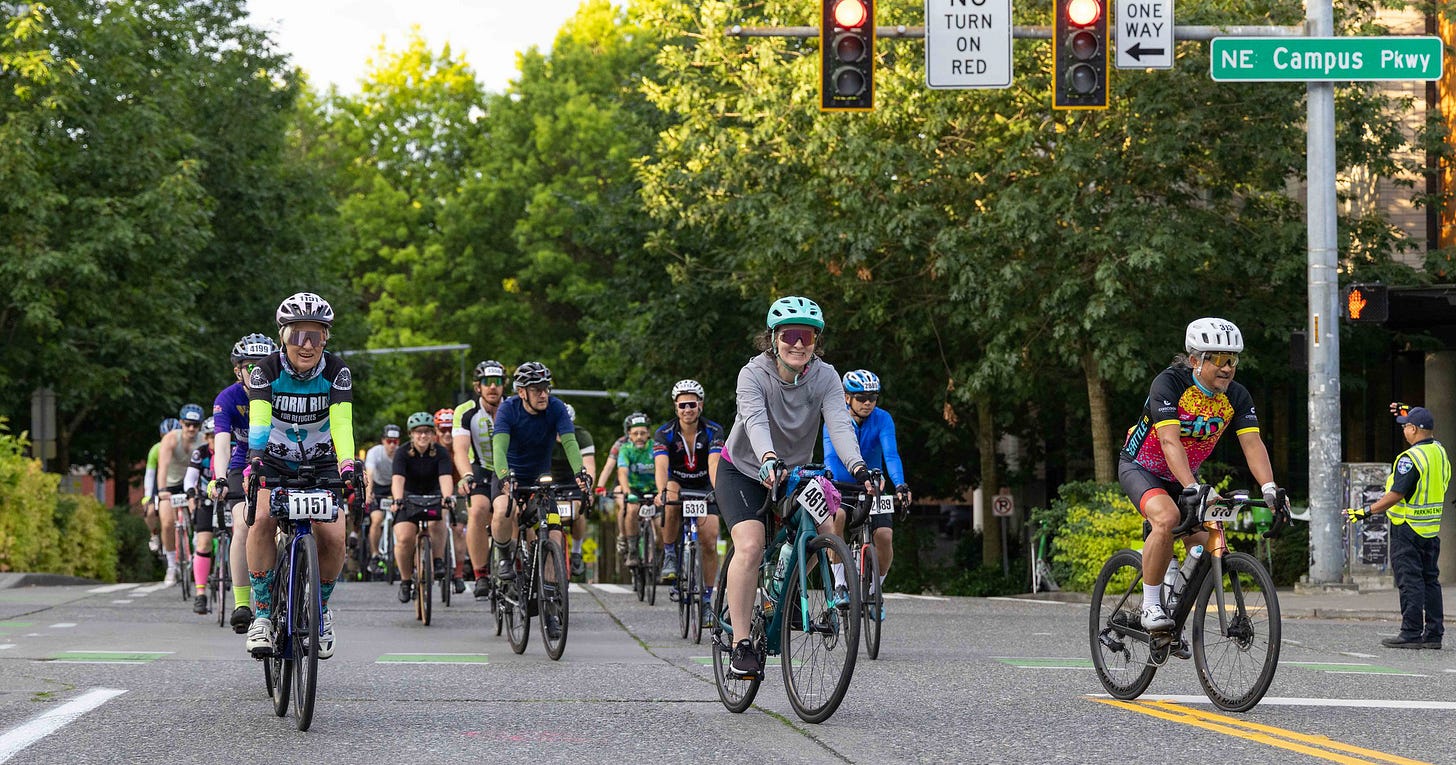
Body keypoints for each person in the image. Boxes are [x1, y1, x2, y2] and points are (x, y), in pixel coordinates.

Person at [720, 296, 877, 678]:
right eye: (789, 335)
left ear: (815, 341)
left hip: (796, 472)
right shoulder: (752, 374)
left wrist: (859, 468)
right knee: (751, 545)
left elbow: (839, 425)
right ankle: (741, 644)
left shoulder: (826, 377)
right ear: (773, 339)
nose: (798, 343)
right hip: (744, 468)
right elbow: (755, 421)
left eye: (806, 336)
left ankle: (786, 588)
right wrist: (768, 457)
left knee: (827, 527)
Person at [1117, 317, 1289, 635]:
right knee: (1166, 517)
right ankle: (1151, 606)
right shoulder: (1169, 384)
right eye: (1219, 359)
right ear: (1195, 360)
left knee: (1206, 545)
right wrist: (1193, 487)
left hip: (1185, 476)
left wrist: (1269, 488)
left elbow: (1253, 444)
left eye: (1232, 360)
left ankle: (1175, 608)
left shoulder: (1236, 396)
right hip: (1143, 468)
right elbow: (1169, 442)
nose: (1227, 368)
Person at [244, 292, 358, 660]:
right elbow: (259, 420)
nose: (307, 345)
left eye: (316, 336)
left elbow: (341, 423)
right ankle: (263, 615)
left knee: (334, 536)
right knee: (262, 519)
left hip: (322, 462)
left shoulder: (337, 371)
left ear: (326, 338)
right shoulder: (265, 370)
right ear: (283, 337)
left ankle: (320, 610)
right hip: (273, 460)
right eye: (298, 335)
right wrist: (255, 459)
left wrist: (348, 464)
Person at [489, 361, 592, 640]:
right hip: (510, 475)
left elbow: (569, 442)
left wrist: (580, 473)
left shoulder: (557, 408)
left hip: (541, 481)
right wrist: (504, 476)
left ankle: (550, 608)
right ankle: (504, 557)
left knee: (554, 535)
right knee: (503, 509)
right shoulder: (508, 409)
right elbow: (498, 447)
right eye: (537, 389)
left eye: (546, 388)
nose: (543, 394)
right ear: (522, 392)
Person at [1346, 404, 1446, 649]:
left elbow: (1396, 494)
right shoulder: (1439, 451)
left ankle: (1411, 632)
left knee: (1410, 580)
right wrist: (1409, 412)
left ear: (1414, 430)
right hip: (1430, 528)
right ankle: (1434, 634)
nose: (1403, 431)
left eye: (1406, 426)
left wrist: (1366, 511)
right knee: (1430, 580)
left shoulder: (1409, 459)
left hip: (1407, 528)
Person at [824, 369, 911, 605]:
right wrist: (832, 482)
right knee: (838, 517)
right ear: (846, 397)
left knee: (884, 536)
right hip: (842, 483)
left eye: (872, 398)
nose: (868, 403)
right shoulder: (836, 418)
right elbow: (830, 456)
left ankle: (875, 590)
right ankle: (840, 583)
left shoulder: (883, 418)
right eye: (861, 398)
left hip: (873, 484)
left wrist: (900, 484)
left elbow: (890, 455)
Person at [211, 333, 277, 632]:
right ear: (238, 371)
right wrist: (220, 477)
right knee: (243, 525)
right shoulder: (228, 398)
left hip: (279, 463)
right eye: (251, 367)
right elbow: (222, 444)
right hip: (243, 465)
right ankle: (241, 604)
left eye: (264, 366)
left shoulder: (283, 393)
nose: (258, 372)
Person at [652, 379, 724, 624]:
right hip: (677, 483)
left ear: (700, 405)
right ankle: (670, 554)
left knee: (710, 540)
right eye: (682, 405)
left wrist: (718, 490)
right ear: (676, 407)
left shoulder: (713, 431)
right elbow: (660, 466)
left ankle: (707, 600)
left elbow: (714, 463)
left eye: (692, 404)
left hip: (704, 485)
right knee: (670, 496)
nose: (687, 409)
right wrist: (661, 491)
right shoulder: (664, 433)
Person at [392, 412, 455, 603]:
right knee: (404, 538)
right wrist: (397, 499)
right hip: (408, 497)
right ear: (411, 434)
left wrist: (447, 497)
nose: (423, 436)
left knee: (439, 520)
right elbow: (398, 479)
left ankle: (438, 559)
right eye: (418, 432)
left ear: (433, 434)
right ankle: (405, 580)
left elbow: (445, 478)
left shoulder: (441, 453)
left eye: (427, 432)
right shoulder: (402, 453)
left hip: (433, 495)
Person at [454, 360, 505, 596]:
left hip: (509, 469)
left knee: (514, 511)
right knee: (477, 510)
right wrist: (466, 475)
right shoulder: (466, 411)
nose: (493, 387)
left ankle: (516, 564)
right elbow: (460, 450)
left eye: (498, 382)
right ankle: (480, 574)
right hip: (481, 468)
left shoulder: (513, 407)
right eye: (487, 382)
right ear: (478, 387)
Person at [157, 404, 207, 585]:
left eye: (196, 425)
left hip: (192, 484)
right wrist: (162, 491)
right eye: (187, 424)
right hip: (171, 485)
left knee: (200, 512)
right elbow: (162, 467)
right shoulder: (170, 438)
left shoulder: (204, 439)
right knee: (167, 522)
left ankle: (197, 542)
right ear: (181, 423)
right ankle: (172, 566)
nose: (191, 429)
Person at [551, 403, 595, 576]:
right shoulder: (543, 435)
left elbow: (589, 466)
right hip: (549, 478)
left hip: (574, 479)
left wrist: (588, 488)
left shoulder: (582, 436)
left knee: (578, 509)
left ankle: (576, 552)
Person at [183, 417, 218, 614]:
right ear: (205, 437)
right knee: (203, 544)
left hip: (229, 500)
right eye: (211, 436)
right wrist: (191, 494)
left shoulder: (234, 450)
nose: (214, 440)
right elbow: (190, 479)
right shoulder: (200, 453)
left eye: (218, 435)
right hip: (206, 500)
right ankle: (200, 593)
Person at [617, 412, 656, 568]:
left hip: (654, 489)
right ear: (629, 434)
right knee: (632, 510)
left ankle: (660, 558)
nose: (639, 436)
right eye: (635, 433)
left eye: (643, 433)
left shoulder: (656, 447)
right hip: (634, 489)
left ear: (648, 433)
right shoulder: (625, 449)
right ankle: (632, 549)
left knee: (661, 524)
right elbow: (622, 471)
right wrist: (627, 493)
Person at [364, 424, 402, 574]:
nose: (392, 445)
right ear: (383, 441)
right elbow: (370, 473)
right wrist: (369, 493)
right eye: (389, 441)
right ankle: (375, 555)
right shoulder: (375, 452)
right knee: (377, 519)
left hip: (395, 486)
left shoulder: (401, 453)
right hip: (378, 487)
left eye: (395, 441)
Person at [143, 418, 181, 554]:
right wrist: (147, 496)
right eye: (166, 436)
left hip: (179, 482)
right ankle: (154, 534)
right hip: (161, 484)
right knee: (150, 511)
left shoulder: (184, 448)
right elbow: (150, 474)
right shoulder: (156, 449)